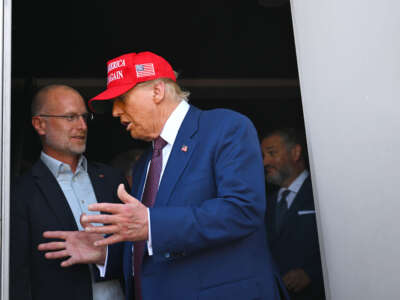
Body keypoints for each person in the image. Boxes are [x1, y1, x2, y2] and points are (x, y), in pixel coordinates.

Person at [38, 51, 288, 300]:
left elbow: (242, 210)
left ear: (157, 92)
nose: (115, 112)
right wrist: (106, 252)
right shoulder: (144, 163)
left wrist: (152, 223)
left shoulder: (225, 127)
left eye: (122, 98)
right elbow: (154, 246)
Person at [10, 85, 126, 300]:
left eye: (84, 116)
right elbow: (17, 275)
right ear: (40, 124)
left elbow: (139, 250)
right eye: (70, 117)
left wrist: (104, 255)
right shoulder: (19, 193)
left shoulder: (112, 180)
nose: (82, 126)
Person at [261, 128, 325, 300]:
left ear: (296, 152)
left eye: (271, 153)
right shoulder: (264, 203)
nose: (265, 162)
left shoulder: (322, 193)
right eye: (263, 156)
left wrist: (311, 273)